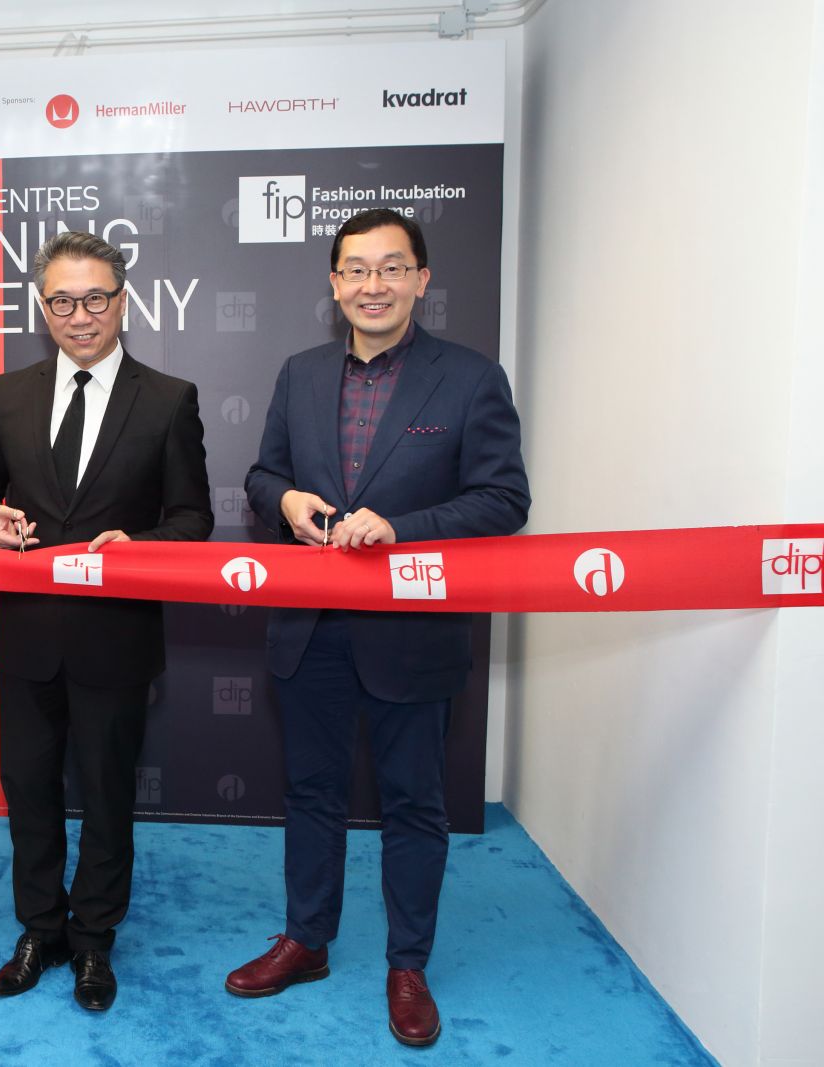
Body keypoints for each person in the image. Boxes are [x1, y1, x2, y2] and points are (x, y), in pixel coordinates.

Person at [229, 208, 530, 1046]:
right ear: (334, 284)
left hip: (413, 632)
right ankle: (306, 940)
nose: (374, 285)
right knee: (310, 792)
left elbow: (505, 499)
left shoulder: (470, 378)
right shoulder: (300, 373)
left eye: (392, 268)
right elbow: (262, 475)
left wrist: (405, 528)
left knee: (414, 803)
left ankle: (408, 964)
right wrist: (285, 500)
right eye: (357, 269)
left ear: (421, 280)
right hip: (311, 627)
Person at [0, 231, 213, 1012]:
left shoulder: (168, 398)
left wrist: (141, 547)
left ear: (122, 302)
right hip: (28, 635)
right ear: (43, 308)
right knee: (28, 791)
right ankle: (41, 929)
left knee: (106, 795)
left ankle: (94, 937)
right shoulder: (10, 392)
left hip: (115, 636)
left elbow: (193, 517)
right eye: (62, 301)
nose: (79, 315)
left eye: (95, 298)